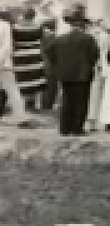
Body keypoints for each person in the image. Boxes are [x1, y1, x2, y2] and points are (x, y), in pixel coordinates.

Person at [44, 9, 99, 137]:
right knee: (81, 101)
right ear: (82, 25)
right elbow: (94, 55)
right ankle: (77, 128)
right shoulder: (88, 39)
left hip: (65, 74)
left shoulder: (60, 39)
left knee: (67, 101)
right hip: (82, 74)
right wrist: (88, 65)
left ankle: (65, 128)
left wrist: (58, 65)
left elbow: (49, 52)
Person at [0, 10, 34, 125]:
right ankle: (21, 117)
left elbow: (6, 46)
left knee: (12, 90)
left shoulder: (4, 25)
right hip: (4, 64)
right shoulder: (5, 25)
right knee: (12, 90)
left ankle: (21, 117)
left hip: (4, 64)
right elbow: (7, 47)